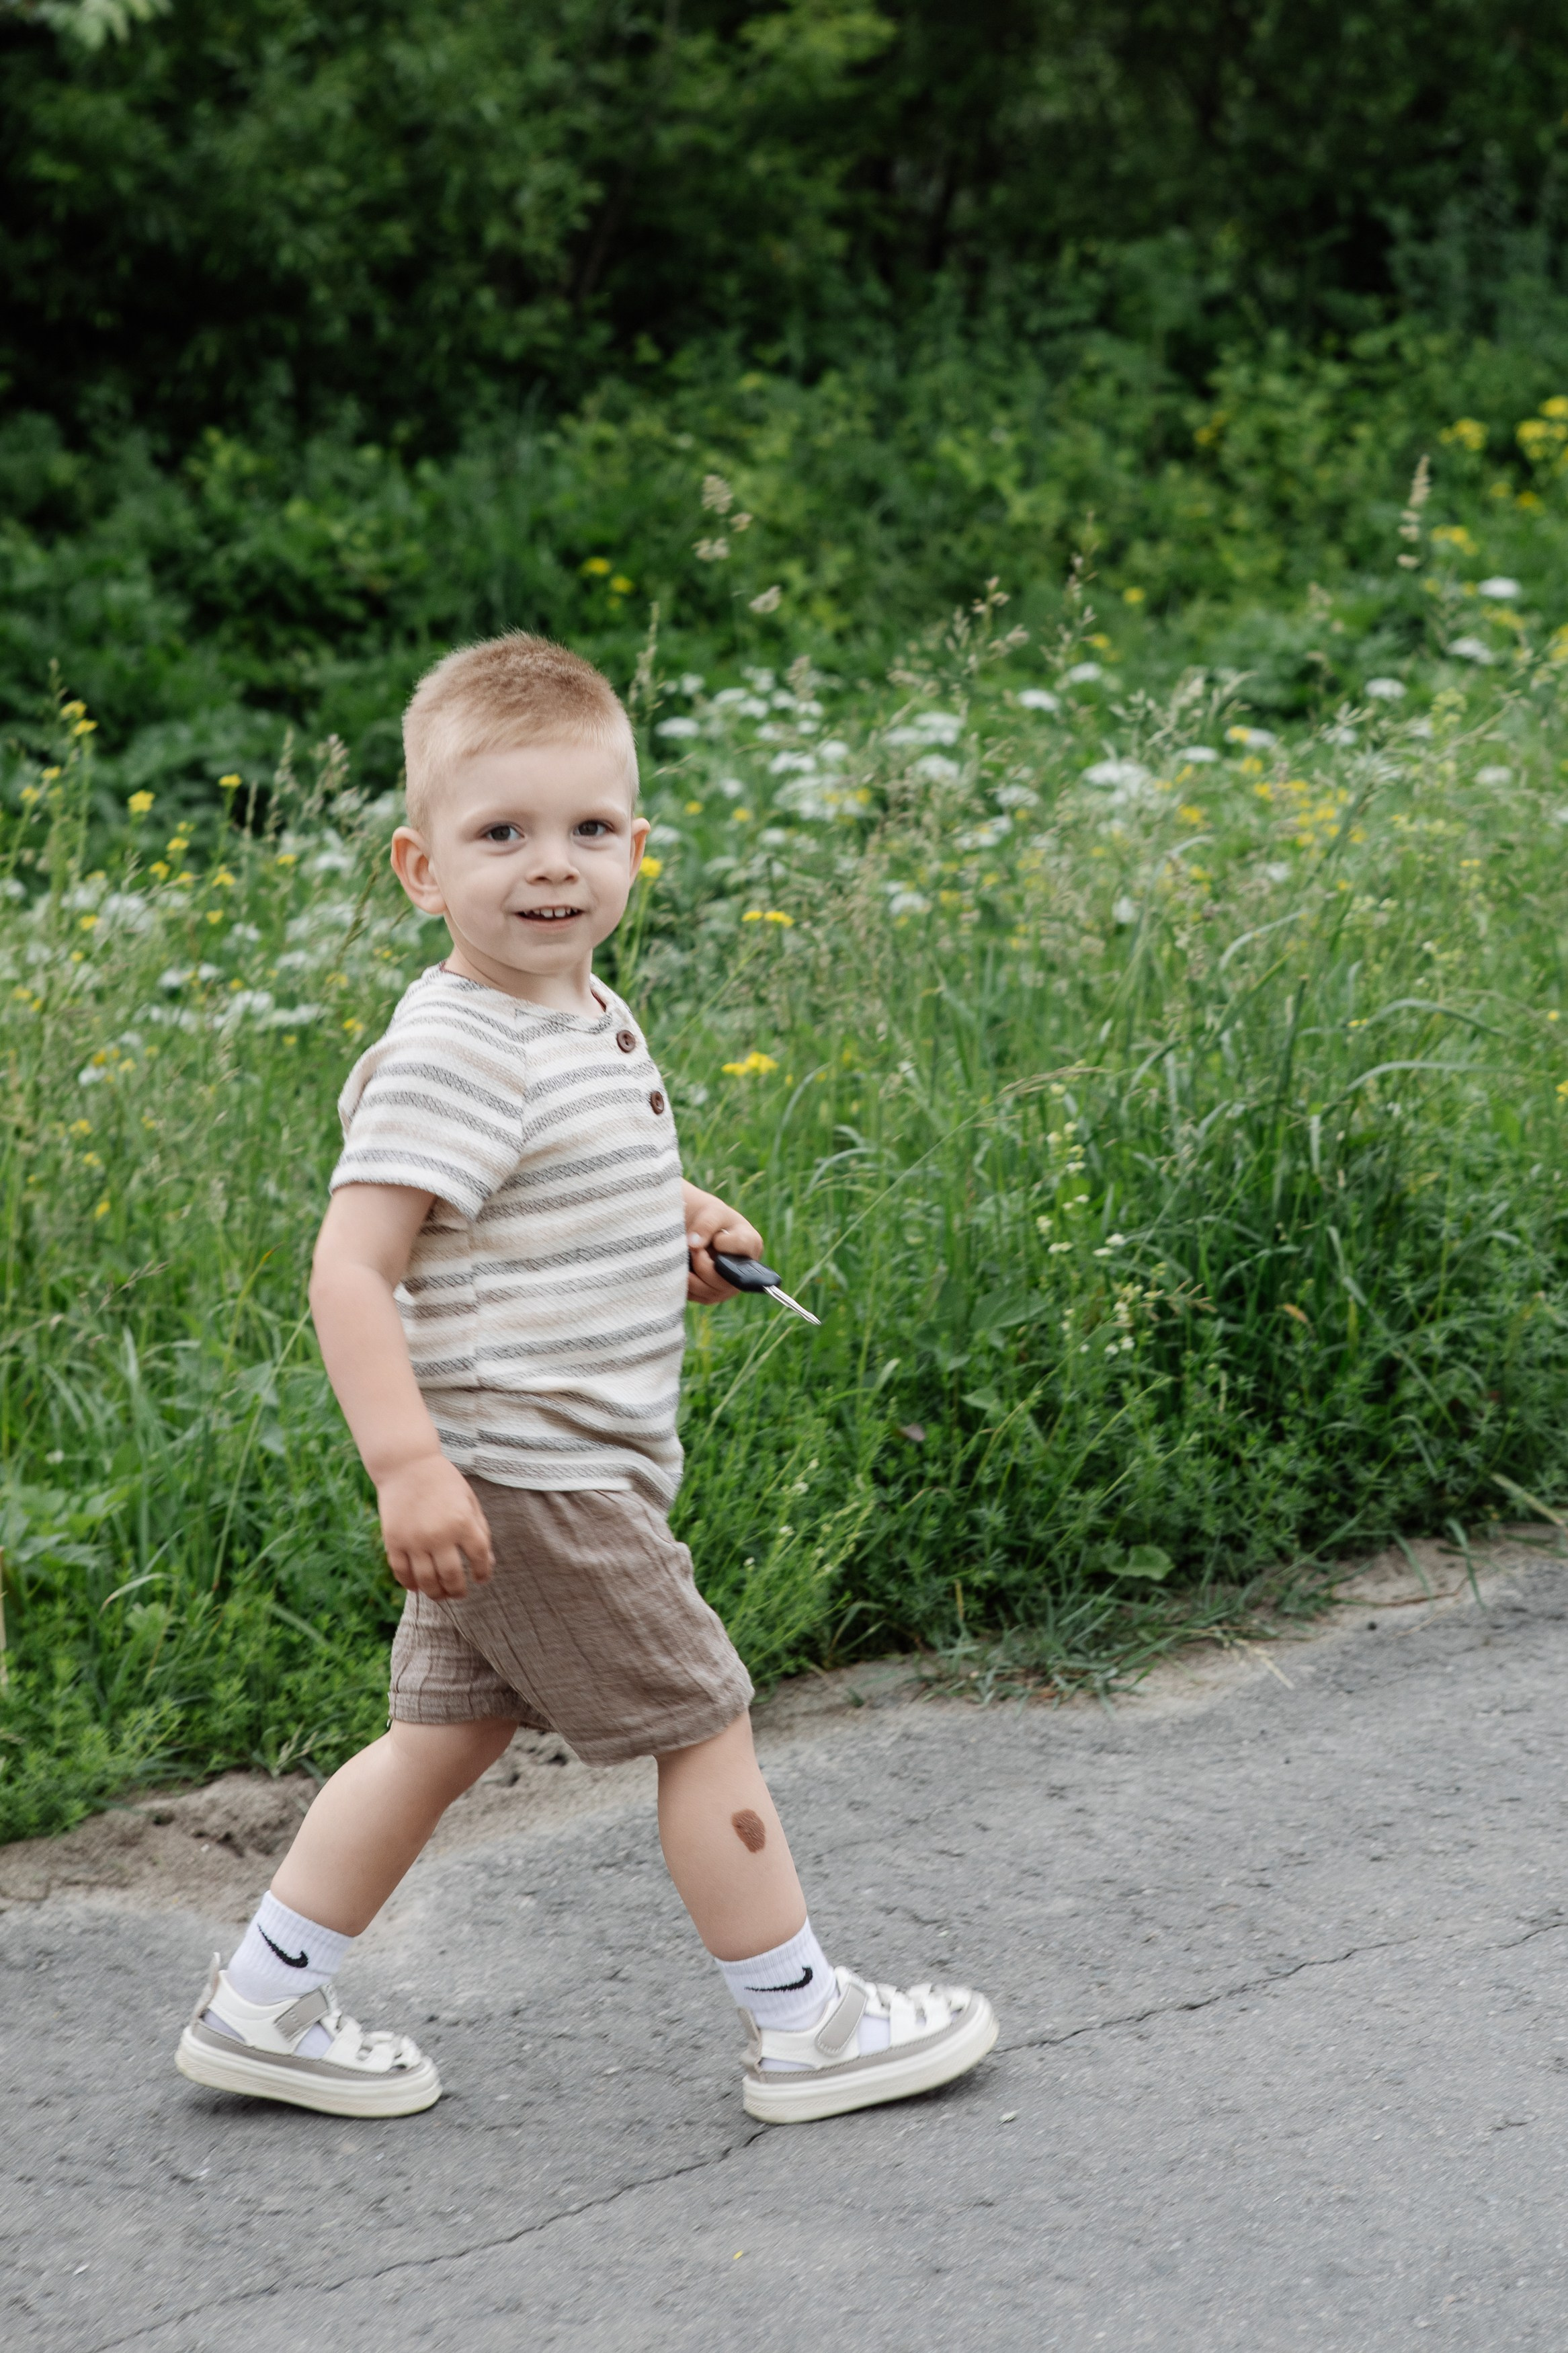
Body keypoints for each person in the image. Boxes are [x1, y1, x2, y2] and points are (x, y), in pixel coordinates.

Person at [175, 631, 997, 2126]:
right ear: (423, 871)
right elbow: (350, 1268)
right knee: (704, 1722)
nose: (549, 867)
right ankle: (806, 2027)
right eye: (501, 835)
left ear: (638, 852)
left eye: (588, 831)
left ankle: (262, 2006)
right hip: (530, 1470)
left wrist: (680, 1223)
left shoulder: (581, 1014)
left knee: (444, 1737)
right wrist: (409, 1468)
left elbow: (551, 1195)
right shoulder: (457, 1048)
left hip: (533, 1465)